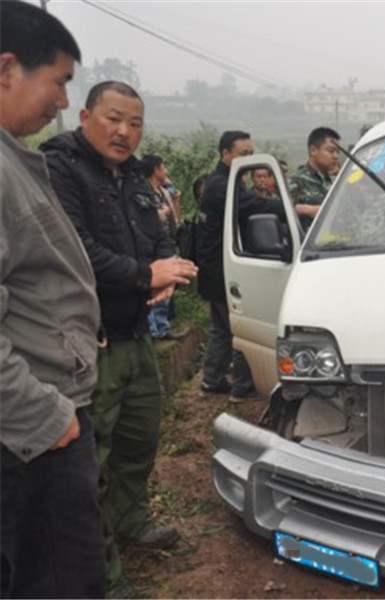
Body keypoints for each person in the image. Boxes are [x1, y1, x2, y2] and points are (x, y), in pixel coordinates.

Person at [41, 80, 198, 598]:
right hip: (89, 342)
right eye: (113, 119)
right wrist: (142, 275)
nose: (125, 132)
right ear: (85, 117)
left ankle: (130, 520)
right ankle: (101, 570)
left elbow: (159, 235)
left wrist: (164, 273)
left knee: (138, 441)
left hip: (135, 335)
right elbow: (76, 248)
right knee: (93, 463)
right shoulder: (58, 169)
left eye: (135, 123)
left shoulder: (134, 177)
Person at [0, 2, 106, 598]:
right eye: (60, 81)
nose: (63, 101)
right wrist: (47, 417)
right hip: (32, 433)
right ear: (7, 68)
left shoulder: (14, 161)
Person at [195, 130, 285, 402]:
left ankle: (212, 380)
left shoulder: (228, 181)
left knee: (222, 328)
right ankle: (242, 386)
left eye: (251, 153)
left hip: (216, 269)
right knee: (238, 328)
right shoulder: (223, 186)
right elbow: (256, 206)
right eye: (244, 154)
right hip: (221, 272)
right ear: (225, 154)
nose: (250, 159)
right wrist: (299, 210)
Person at [141, 154, 182, 340]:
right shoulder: (143, 192)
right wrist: (160, 213)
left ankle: (162, 328)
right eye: (163, 167)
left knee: (167, 287)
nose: (165, 171)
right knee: (153, 288)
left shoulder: (162, 191)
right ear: (155, 169)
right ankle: (153, 330)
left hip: (166, 244)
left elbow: (175, 214)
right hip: (150, 247)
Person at [289, 126, 340, 230]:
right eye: (331, 151)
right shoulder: (297, 180)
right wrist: (309, 210)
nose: (336, 156)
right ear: (313, 150)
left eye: (337, 152)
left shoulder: (336, 181)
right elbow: (283, 209)